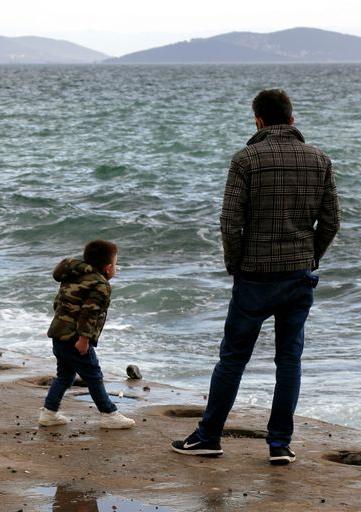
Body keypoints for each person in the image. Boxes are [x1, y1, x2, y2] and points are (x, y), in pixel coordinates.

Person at [172, 89, 340, 465]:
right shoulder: (320, 160)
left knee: (233, 358)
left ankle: (209, 436)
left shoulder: (246, 159)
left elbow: (230, 222)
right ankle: (280, 444)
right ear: (292, 119)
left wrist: (236, 264)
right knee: (289, 360)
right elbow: (331, 222)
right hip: (298, 276)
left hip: (254, 276)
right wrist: (310, 257)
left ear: (258, 121)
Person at [38, 239, 136, 429]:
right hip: (76, 338)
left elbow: (59, 303)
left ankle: (49, 413)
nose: (115, 268)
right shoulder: (100, 285)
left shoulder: (73, 275)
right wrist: (84, 339)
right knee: (93, 375)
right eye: (115, 264)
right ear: (108, 268)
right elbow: (89, 313)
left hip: (59, 333)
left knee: (65, 375)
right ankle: (109, 414)